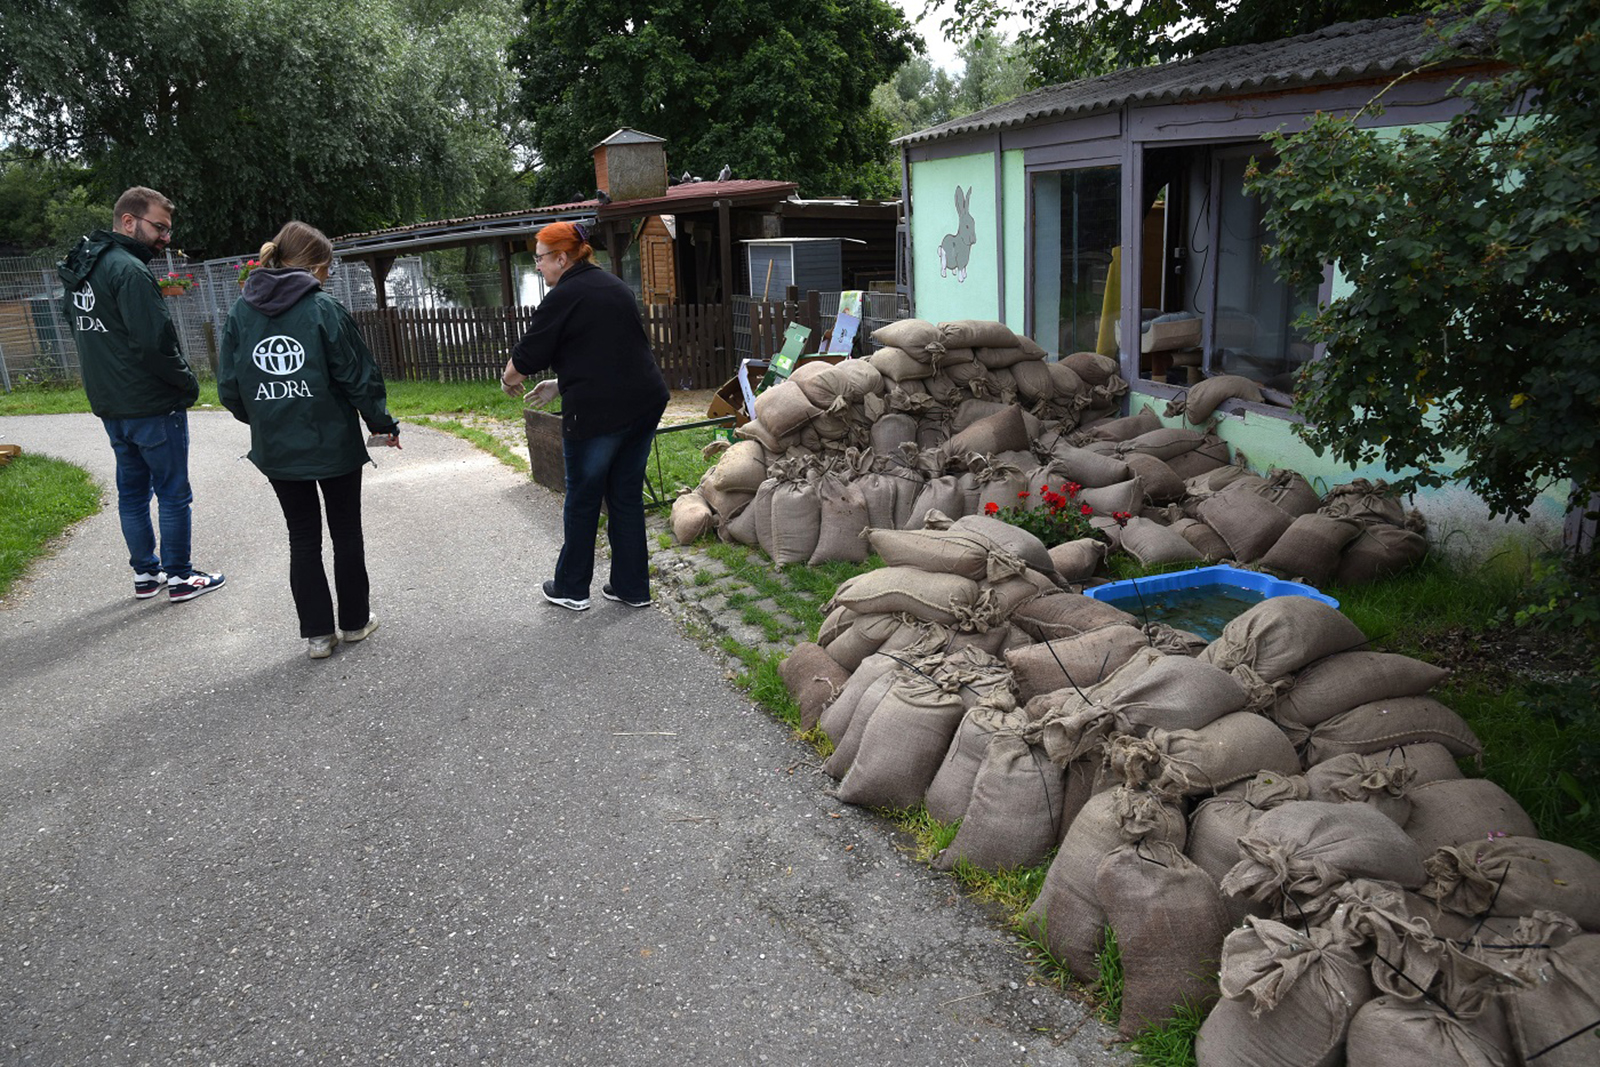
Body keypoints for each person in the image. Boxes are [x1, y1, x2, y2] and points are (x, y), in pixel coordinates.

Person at [217, 221, 400, 659]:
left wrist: (264, 419)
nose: (329, 276)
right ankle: (354, 623)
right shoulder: (323, 309)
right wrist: (381, 424)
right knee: (346, 532)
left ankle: (318, 635)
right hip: (333, 444)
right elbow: (358, 377)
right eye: (328, 268)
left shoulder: (241, 313)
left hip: (277, 448)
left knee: (301, 537)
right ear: (316, 267)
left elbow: (229, 387)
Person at [57, 186, 226, 602]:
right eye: (159, 228)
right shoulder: (129, 270)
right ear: (129, 221)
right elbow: (155, 342)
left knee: (132, 493)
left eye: (168, 230)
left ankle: (146, 574)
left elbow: (75, 324)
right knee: (173, 493)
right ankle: (181, 577)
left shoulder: (85, 266)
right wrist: (186, 383)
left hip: (110, 404)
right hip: (150, 403)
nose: (165, 238)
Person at [500, 221, 669, 611]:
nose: (537, 266)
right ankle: (631, 587)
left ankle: (571, 588)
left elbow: (526, 356)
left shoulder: (564, 295)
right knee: (625, 494)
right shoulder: (614, 286)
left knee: (583, 497)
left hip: (598, 413)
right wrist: (561, 384)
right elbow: (607, 354)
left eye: (541, 258)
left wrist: (508, 380)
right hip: (644, 403)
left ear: (562, 258)